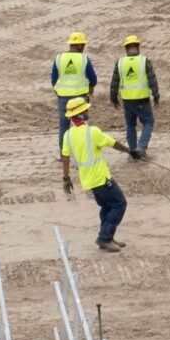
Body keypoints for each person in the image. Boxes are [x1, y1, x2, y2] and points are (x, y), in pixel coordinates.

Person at [58, 97, 134, 253]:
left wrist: (66, 178)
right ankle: (104, 238)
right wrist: (130, 151)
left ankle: (107, 237)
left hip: (87, 180)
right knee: (120, 204)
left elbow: (65, 157)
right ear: (80, 114)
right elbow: (113, 143)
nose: (87, 112)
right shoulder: (92, 132)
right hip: (101, 178)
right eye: (85, 110)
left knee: (106, 206)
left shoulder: (67, 136)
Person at [111, 34, 160, 158]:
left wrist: (113, 98)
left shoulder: (120, 62)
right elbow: (152, 80)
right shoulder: (144, 61)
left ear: (126, 48)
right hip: (142, 99)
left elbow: (114, 82)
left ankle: (133, 151)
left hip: (127, 100)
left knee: (131, 125)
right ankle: (141, 148)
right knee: (148, 122)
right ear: (138, 46)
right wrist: (156, 96)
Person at [50, 32, 95, 143]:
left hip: (63, 97)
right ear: (79, 45)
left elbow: (54, 80)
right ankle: (83, 151)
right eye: (83, 45)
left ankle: (63, 154)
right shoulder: (84, 59)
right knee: (81, 125)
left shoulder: (59, 58)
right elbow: (93, 79)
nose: (84, 47)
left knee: (63, 127)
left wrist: (58, 91)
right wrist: (90, 89)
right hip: (80, 97)